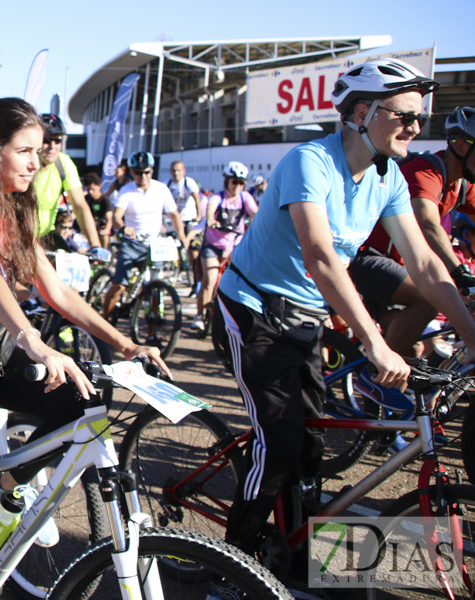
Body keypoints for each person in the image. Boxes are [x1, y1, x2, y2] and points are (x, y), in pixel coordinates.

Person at [0, 97, 168, 600]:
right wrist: (35, 342)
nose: (37, 163)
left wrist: (125, 344)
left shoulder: (15, 206)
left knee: (86, 404)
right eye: (25, 151)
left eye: (40, 152)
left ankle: (10, 478)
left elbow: (56, 291)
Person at [215, 59, 475, 579]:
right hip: (251, 311)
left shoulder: (388, 178)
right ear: (362, 112)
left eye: (420, 119)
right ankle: (231, 567)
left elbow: (423, 264)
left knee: (310, 445)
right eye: (404, 116)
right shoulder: (309, 161)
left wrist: (472, 332)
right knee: (282, 444)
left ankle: (301, 561)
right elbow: (321, 257)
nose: (416, 128)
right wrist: (375, 345)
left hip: (305, 315)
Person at [349, 105, 475, 363]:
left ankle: (382, 387)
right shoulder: (424, 171)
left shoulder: (462, 185)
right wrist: (459, 272)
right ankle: (376, 376)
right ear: (461, 146)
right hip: (364, 257)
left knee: (414, 352)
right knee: (432, 298)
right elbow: (428, 223)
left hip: (396, 267)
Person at [97, 151, 185, 327]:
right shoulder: (126, 190)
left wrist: (182, 238)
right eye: (138, 172)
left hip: (154, 245)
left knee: (155, 289)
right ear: (132, 172)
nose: (143, 176)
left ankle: (151, 335)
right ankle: (103, 324)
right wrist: (123, 227)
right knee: (119, 285)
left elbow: (174, 215)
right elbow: (117, 216)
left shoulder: (161, 188)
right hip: (132, 244)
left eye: (146, 172)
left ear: (152, 171)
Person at [191, 162, 257, 331]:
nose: (237, 186)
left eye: (241, 183)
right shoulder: (218, 197)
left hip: (234, 247)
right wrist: (211, 219)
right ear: (227, 181)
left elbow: (256, 214)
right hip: (212, 246)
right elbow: (210, 209)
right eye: (234, 181)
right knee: (210, 280)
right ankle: (199, 315)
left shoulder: (245, 198)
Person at [33, 113, 107, 260]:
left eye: (58, 140)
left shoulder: (64, 163)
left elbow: (80, 205)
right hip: (22, 238)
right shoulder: (27, 165)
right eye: (46, 140)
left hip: (47, 236)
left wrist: (95, 244)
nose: (52, 146)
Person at [166, 161, 204, 283]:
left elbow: (197, 199)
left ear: (184, 171)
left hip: (189, 219)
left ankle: (195, 276)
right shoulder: (168, 184)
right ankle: (178, 269)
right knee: (173, 246)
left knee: (192, 247)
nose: (176, 173)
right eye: (173, 170)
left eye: (178, 170)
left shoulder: (188, 182)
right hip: (174, 221)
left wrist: (198, 216)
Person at [81, 172, 111, 236]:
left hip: (100, 228)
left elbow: (109, 218)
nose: (90, 192)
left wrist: (106, 230)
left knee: (104, 236)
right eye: (88, 189)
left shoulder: (105, 200)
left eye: (93, 189)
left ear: (99, 186)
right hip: (87, 228)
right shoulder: (85, 199)